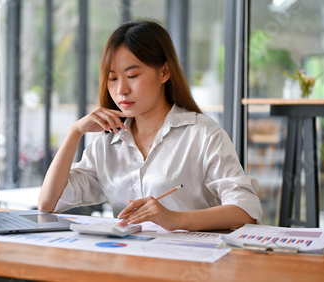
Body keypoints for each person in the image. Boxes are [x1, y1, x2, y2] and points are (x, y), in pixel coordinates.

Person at [38, 20, 262, 231]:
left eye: (132, 75)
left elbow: (246, 210)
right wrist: (75, 132)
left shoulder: (203, 133)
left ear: (164, 72)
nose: (121, 90)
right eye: (112, 78)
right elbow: (48, 203)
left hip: (190, 262)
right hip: (129, 258)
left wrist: (175, 219)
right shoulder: (108, 144)